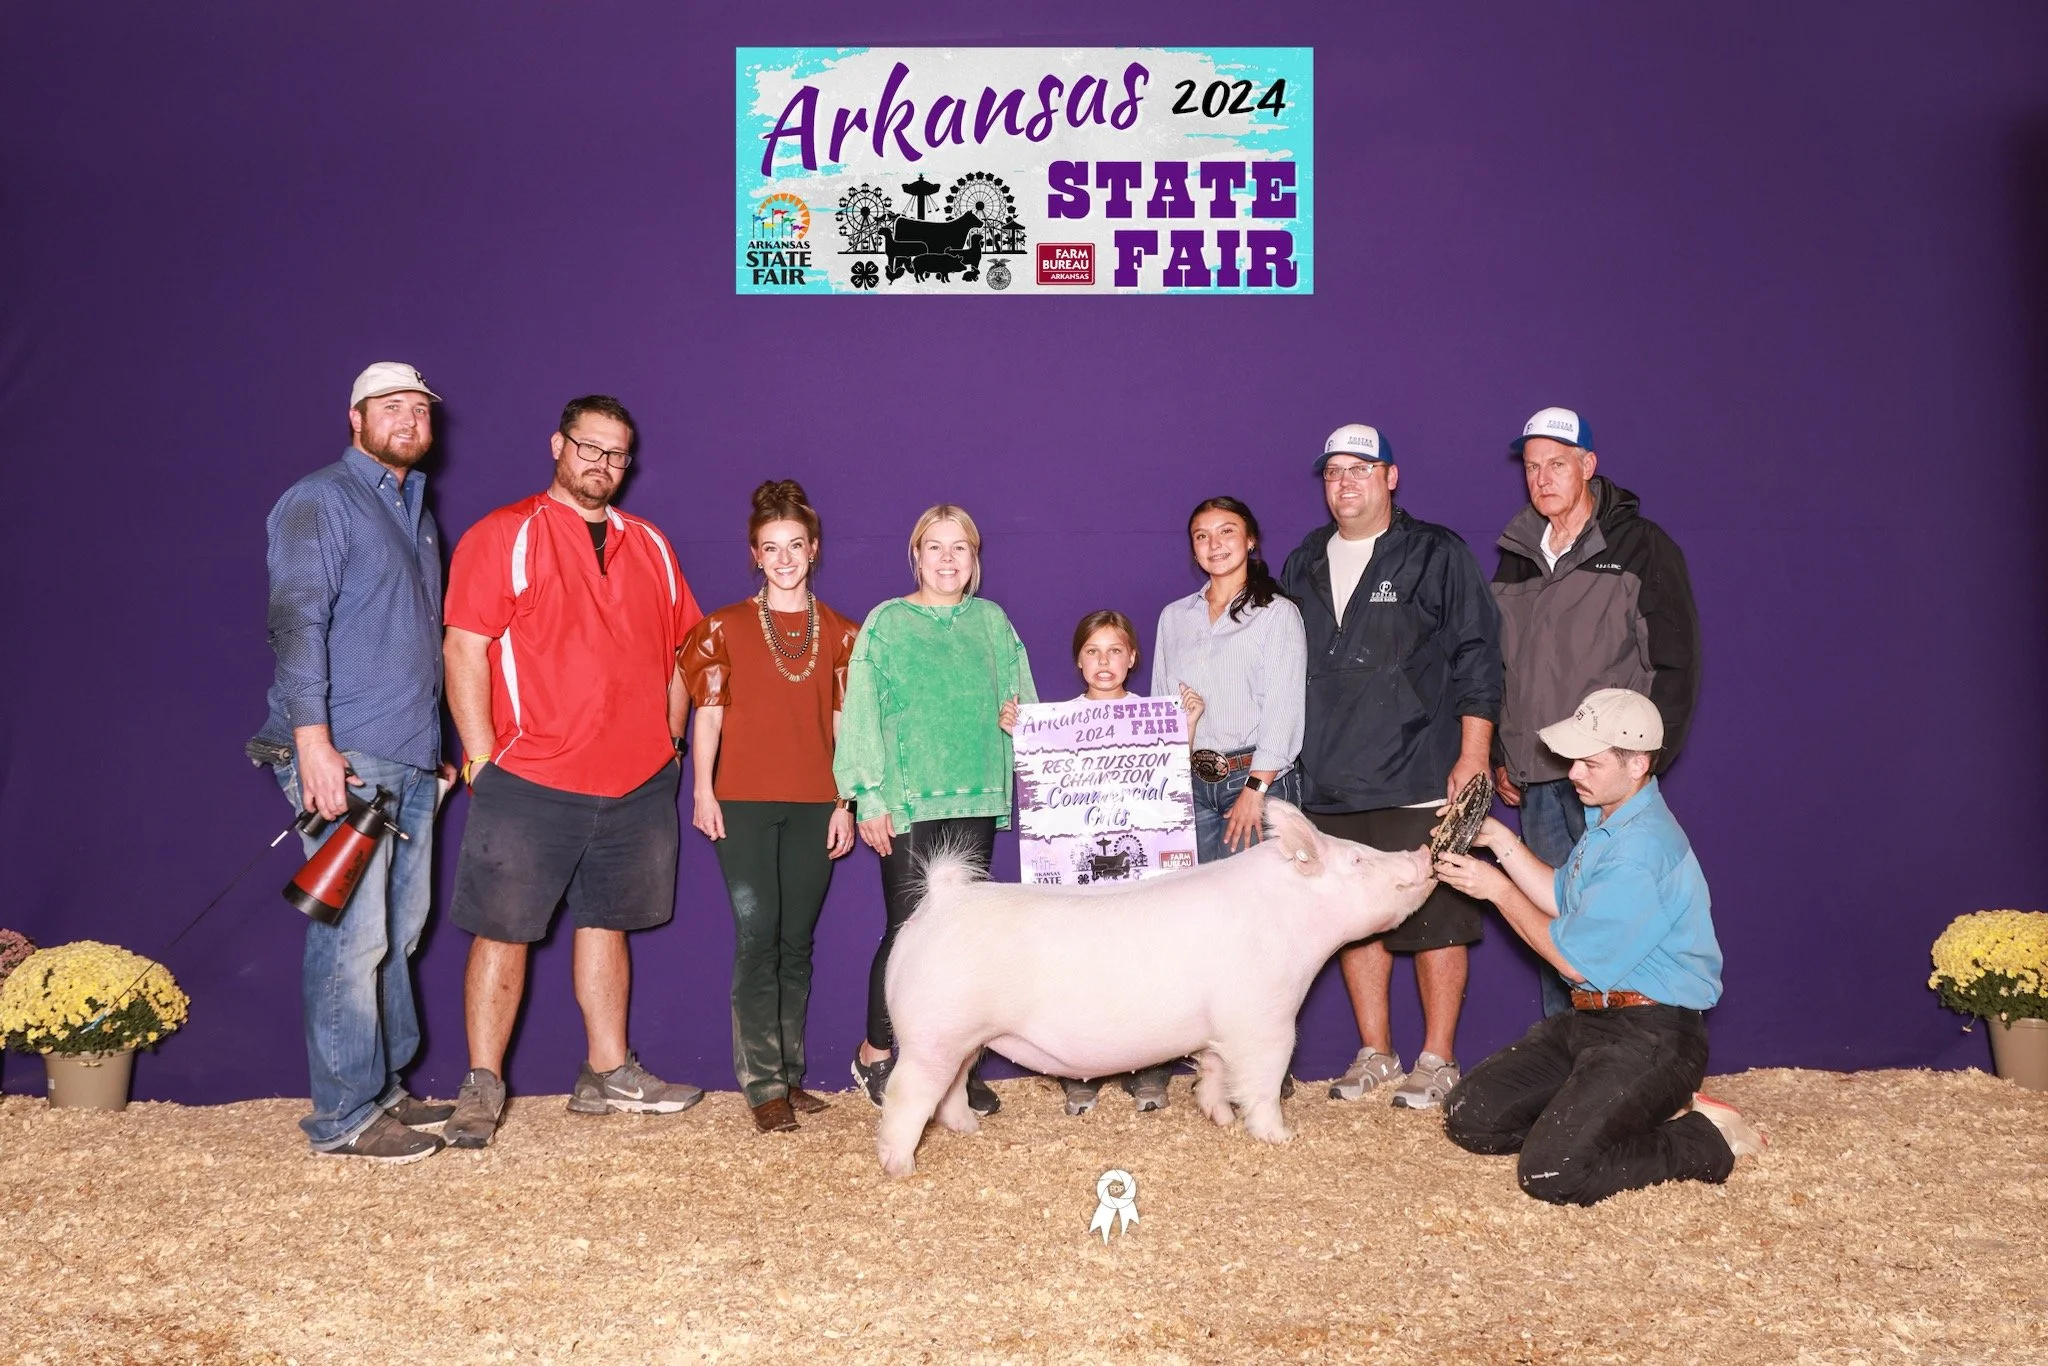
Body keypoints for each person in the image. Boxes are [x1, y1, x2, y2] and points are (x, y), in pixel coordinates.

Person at [439, 395, 705, 1148]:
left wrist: (671, 739)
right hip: (530, 777)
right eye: (590, 448)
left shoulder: (649, 543)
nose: (603, 465)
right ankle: (483, 1083)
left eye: (618, 454)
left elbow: (688, 648)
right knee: (502, 929)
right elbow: (464, 647)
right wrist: (483, 754)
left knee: (607, 921)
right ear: (558, 443)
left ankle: (608, 1071)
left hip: (635, 780)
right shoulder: (504, 534)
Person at [1434, 688, 1762, 1205]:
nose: (1573, 774)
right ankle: (1598, 1120)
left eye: (1590, 762)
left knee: (1552, 1174)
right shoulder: (1611, 821)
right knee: (1469, 1116)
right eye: (1575, 760)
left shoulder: (1640, 850)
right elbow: (1562, 898)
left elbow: (1573, 961)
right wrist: (1500, 841)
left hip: (1655, 1035)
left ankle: (1704, 1139)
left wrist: (1495, 888)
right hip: (1591, 1022)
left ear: (1638, 765)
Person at [249, 361, 456, 1164]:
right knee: (351, 937)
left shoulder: (415, 511)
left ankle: (382, 1091)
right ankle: (341, 1117)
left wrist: (435, 753)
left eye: (419, 408)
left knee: (400, 933)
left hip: (408, 758)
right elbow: (296, 622)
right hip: (346, 754)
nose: (407, 418)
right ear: (355, 419)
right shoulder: (319, 501)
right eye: (389, 407)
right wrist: (312, 743)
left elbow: (416, 640)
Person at [1279, 424, 1501, 1111]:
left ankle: (1439, 1058)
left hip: (1421, 768)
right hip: (1330, 772)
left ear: (1391, 477)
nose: (1345, 484)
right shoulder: (1304, 560)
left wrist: (1473, 754)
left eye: (1360, 470)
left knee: (1438, 915)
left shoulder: (1437, 553)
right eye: (1334, 472)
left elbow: (1477, 654)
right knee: (1354, 917)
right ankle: (1376, 1050)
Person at [1490, 408, 1702, 1018]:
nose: (1542, 478)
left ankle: (1638, 1058)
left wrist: (1641, 764)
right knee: (1556, 928)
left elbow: (1675, 662)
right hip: (1537, 778)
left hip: (1608, 776)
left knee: (1621, 926)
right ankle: (1568, 1058)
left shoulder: (1641, 547)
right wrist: (1508, 750)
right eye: (1531, 468)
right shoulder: (1517, 552)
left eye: (1557, 464)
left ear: (1588, 466)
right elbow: (1505, 664)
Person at [835, 504, 1036, 1110]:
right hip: (909, 802)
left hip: (974, 793)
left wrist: (1018, 720)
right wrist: (866, 795)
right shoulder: (887, 623)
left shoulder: (992, 620)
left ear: (975, 560)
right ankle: (875, 1054)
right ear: (915, 555)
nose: (948, 559)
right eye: (935, 547)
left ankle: (952, 1068)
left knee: (962, 937)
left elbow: (1023, 701)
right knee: (910, 929)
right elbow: (861, 712)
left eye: (960, 548)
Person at [681, 480, 859, 1134]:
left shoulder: (842, 634)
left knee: (796, 941)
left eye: (795, 546)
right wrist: (702, 790)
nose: (783, 559)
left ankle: (788, 1072)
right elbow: (709, 715)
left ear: (813, 550)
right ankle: (761, 1085)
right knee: (758, 939)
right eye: (769, 548)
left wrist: (847, 802)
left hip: (816, 803)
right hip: (744, 802)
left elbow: (846, 728)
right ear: (755, 554)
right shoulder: (723, 629)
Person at [1001, 609, 1203, 1116]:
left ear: (1132, 657)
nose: (1104, 660)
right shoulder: (1057, 720)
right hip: (1080, 878)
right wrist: (1020, 734)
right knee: (1081, 966)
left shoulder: (1154, 714)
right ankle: (1080, 1069)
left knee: (1147, 964)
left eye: (1114, 650)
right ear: (1078, 661)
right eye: (1093, 651)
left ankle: (1150, 1067)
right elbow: (1041, 790)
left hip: (1144, 879)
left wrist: (1189, 725)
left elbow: (1173, 781)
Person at [1151, 496, 1306, 867]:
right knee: (1193, 906)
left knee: (1255, 910)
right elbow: (1161, 706)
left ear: (1250, 539)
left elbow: (1284, 709)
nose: (1214, 544)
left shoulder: (1277, 614)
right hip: (1189, 785)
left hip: (1253, 780)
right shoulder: (1173, 617)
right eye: (1201, 536)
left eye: (1226, 532)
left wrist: (1256, 788)